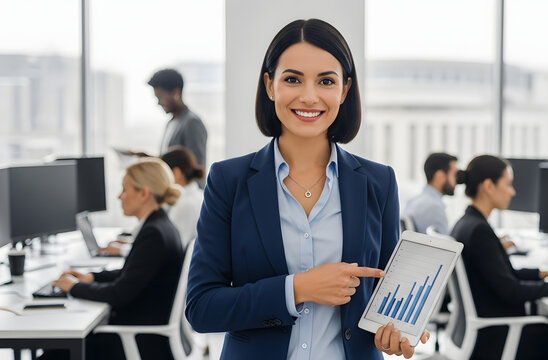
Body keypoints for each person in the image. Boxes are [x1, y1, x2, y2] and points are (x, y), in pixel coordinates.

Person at [185, 19, 428, 360]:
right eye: (293, 79)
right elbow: (201, 307)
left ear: (344, 90)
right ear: (270, 85)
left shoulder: (379, 182)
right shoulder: (229, 180)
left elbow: (385, 301)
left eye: (326, 81)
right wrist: (297, 288)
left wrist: (394, 332)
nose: (309, 96)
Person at [450, 155, 548, 360]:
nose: (513, 192)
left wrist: (546, 273)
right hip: (500, 336)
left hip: (489, 332)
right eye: (508, 184)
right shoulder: (479, 231)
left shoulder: (467, 223)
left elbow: (502, 275)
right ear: (489, 186)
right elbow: (512, 291)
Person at [44, 158, 184, 360]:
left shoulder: (154, 233)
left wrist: (74, 287)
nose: (119, 197)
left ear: (144, 193)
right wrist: (90, 277)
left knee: (54, 355)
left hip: (136, 342)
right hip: (142, 332)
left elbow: (120, 293)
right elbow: (131, 274)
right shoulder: (161, 225)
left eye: (125, 190)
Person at [100, 147, 205, 256]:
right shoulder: (192, 197)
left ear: (176, 173)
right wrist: (133, 244)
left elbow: (172, 249)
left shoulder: (186, 205)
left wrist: (123, 250)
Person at [123, 69, 208, 171]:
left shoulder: (192, 123)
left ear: (176, 93)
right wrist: (149, 158)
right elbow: (171, 163)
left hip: (185, 187)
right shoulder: (171, 123)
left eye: (160, 97)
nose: (158, 103)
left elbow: (196, 168)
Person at [405, 152, 458, 235]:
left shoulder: (413, 201)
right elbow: (444, 246)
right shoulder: (433, 207)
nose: (456, 181)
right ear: (440, 176)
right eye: (454, 175)